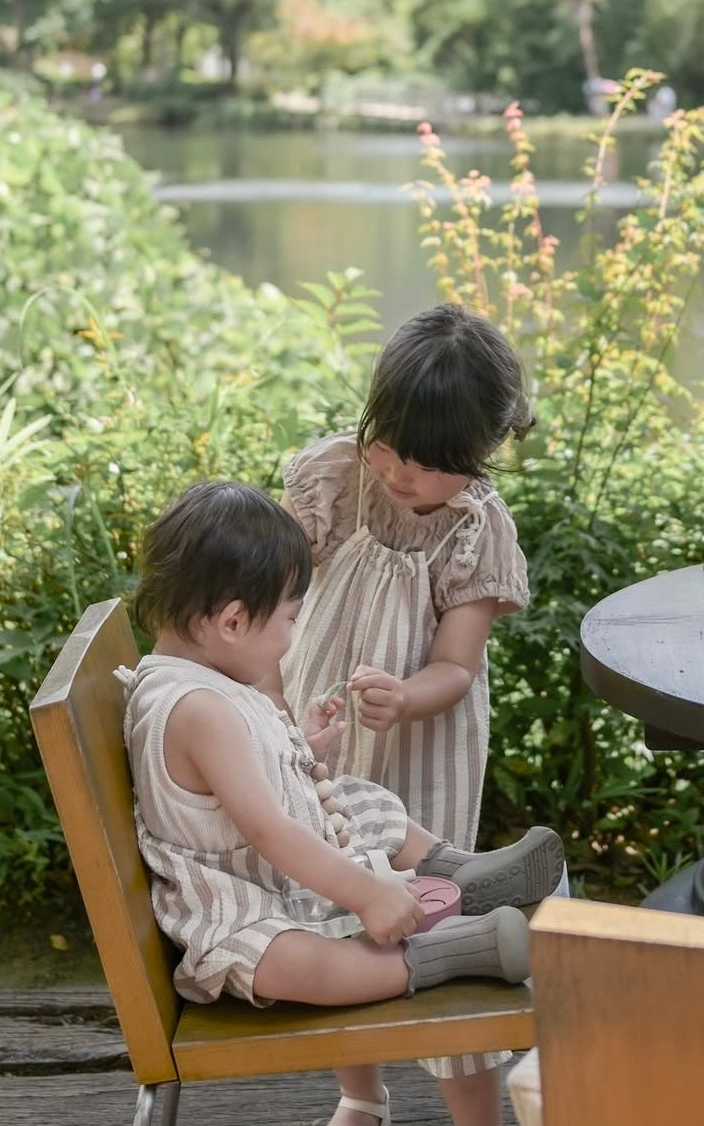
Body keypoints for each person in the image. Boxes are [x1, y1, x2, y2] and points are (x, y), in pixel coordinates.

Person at [119, 481, 565, 1126]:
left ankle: (457, 873)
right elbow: (269, 830)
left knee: (360, 798)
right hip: (240, 901)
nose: (292, 638)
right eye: (291, 620)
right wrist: (365, 895)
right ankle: (449, 954)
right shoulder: (197, 708)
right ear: (233, 621)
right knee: (302, 966)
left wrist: (308, 753)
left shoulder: (202, 682)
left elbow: (246, 796)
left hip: (274, 870)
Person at [278, 304, 540, 1123]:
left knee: (436, 920)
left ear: (481, 455)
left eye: (426, 466)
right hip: (322, 724)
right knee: (335, 904)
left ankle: (474, 1111)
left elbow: (456, 666)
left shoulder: (474, 527)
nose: (398, 475)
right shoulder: (334, 477)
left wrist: (407, 694)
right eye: (386, 447)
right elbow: (275, 589)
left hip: (426, 742)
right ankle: (362, 1097)